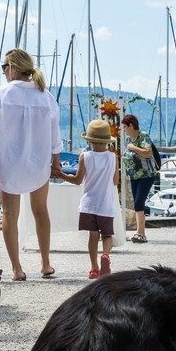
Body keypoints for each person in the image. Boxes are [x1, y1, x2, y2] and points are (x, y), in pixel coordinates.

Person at [0, 48, 61, 281]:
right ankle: (45, 263)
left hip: (10, 161)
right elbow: (55, 135)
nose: (3, 72)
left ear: (13, 67)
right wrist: (57, 162)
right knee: (41, 211)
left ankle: (17, 269)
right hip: (38, 162)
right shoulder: (46, 96)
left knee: (10, 214)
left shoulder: (3, 94)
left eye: (4, 67)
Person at [53, 120, 119, 279]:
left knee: (93, 236)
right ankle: (105, 255)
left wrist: (60, 174)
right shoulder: (113, 157)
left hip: (89, 204)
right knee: (107, 235)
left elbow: (77, 180)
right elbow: (116, 181)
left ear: (89, 140)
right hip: (106, 204)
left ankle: (94, 268)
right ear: (106, 141)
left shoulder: (85, 157)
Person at [120, 114, 156, 243]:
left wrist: (133, 148)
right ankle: (139, 232)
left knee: (139, 201)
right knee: (137, 203)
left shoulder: (143, 136)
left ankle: (141, 233)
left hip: (146, 175)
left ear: (131, 126)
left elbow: (148, 152)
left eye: (125, 127)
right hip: (134, 176)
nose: (124, 130)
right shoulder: (129, 140)